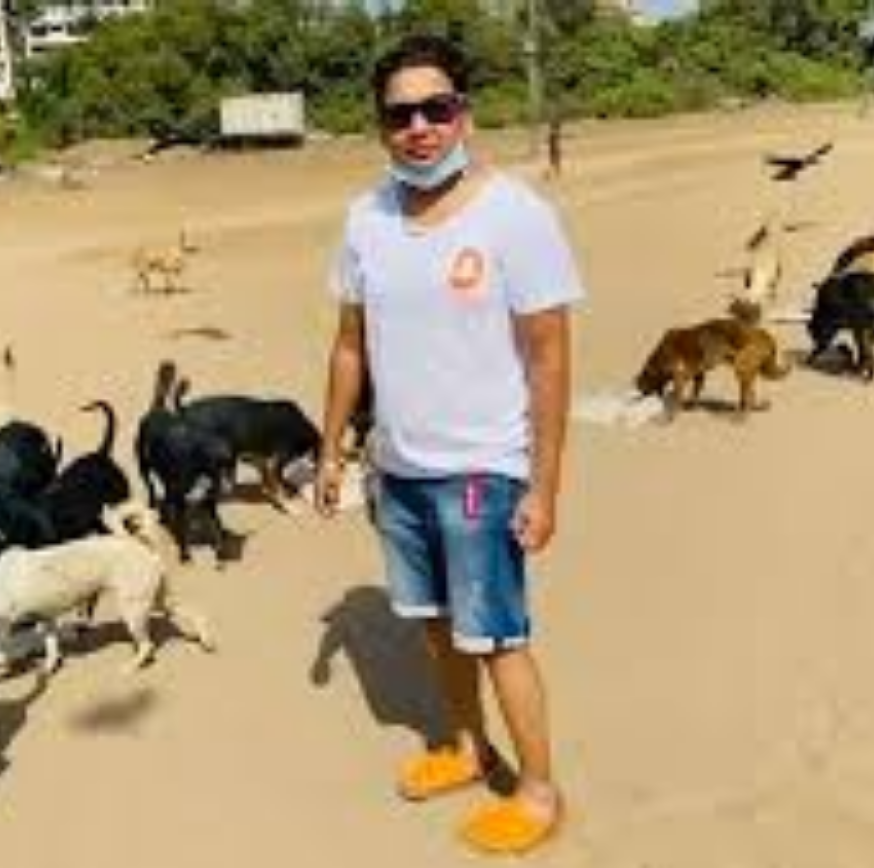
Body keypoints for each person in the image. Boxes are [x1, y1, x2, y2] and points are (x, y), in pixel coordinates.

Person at [315, 33, 584, 856]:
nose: (420, 127)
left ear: (464, 112)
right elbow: (350, 344)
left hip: (484, 471)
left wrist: (543, 487)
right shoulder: (366, 219)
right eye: (401, 114)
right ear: (381, 126)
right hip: (398, 470)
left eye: (437, 108)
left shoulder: (517, 216)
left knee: (496, 634)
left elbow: (549, 357)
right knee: (433, 626)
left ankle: (539, 791)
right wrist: (331, 450)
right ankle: (467, 749)